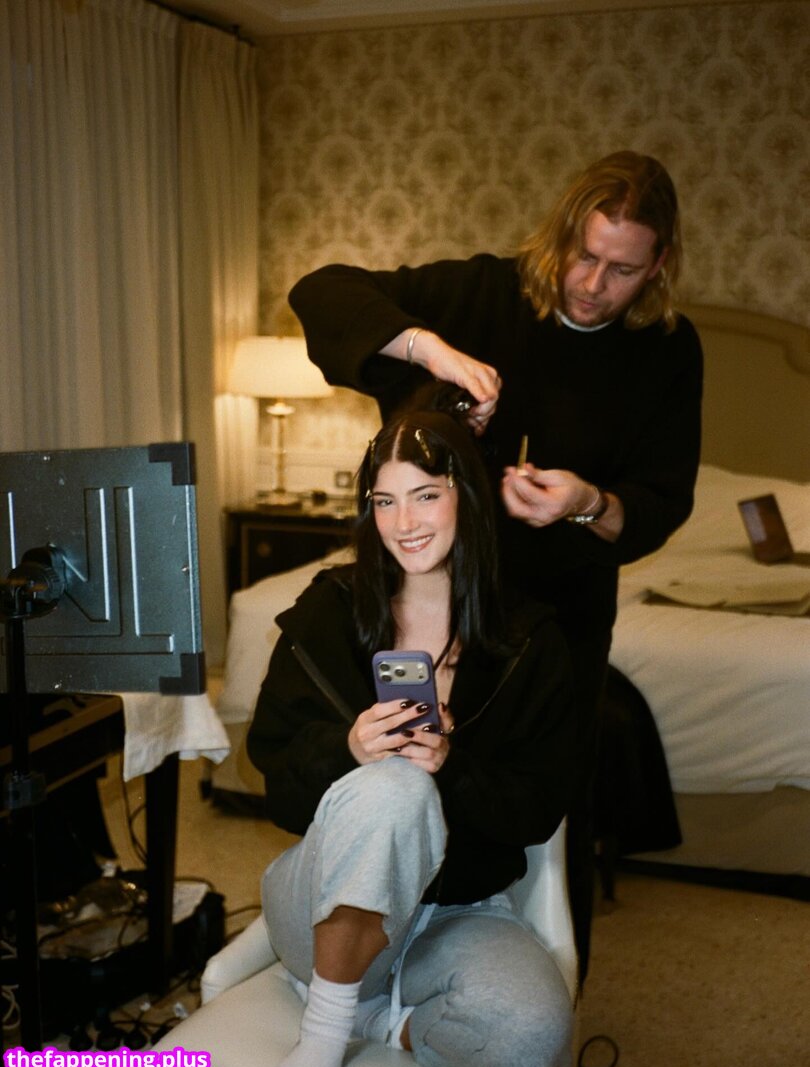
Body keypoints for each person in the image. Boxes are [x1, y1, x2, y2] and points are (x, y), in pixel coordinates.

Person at [288, 150, 704, 978]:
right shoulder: (482, 293)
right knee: (398, 779)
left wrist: (586, 502)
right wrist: (430, 351)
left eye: (623, 270)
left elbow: (661, 502)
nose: (593, 285)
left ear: (658, 264)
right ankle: (368, 966)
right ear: (561, 236)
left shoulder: (665, 350)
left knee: (539, 811)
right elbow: (320, 291)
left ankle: (535, 979)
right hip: (428, 602)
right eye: (584, 256)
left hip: (560, 617)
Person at [247, 405, 576, 1067]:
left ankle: (376, 1021)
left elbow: (536, 810)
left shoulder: (528, 640)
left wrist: (452, 767)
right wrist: (347, 751)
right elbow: (276, 784)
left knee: (532, 1036)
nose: (404, 523)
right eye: (385, 501)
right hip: (320, 906)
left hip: (455, 912)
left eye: (425, 496)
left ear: (467, 498)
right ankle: (324, 1034)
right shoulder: (329, 611)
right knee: (394, 784)